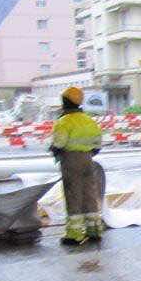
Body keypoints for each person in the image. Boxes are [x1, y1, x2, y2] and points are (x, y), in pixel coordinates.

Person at [51, 87, 104, 245]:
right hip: (88, 159)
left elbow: (59, 143)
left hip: (70, 159)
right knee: (89, 193)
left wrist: (54, 150)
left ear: (65, 102)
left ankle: (74, 234)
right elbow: (98, 144)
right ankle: (94, 230)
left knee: (73, 194)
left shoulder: (63, 121)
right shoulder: (89, 120)